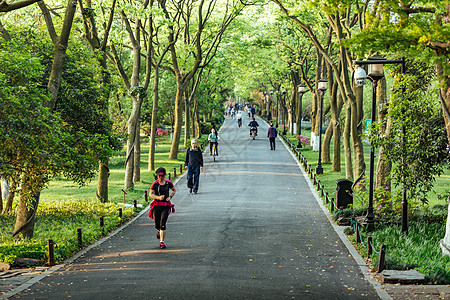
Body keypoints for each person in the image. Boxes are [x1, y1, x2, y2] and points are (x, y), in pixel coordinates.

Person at [149, 167, 176, 249]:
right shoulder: (155, 184)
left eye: (162, 176)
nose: (161, 178)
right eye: (159, 176)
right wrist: (158, 197)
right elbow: (151, 194)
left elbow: (174, 190)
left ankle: (162, 242)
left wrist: (170, 197)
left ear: (165, 175)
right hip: (157, 205)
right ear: (157, 176)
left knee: (163, 224)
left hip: (165, 205)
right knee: (157, 224)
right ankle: (158, 231)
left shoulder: (168, 183)